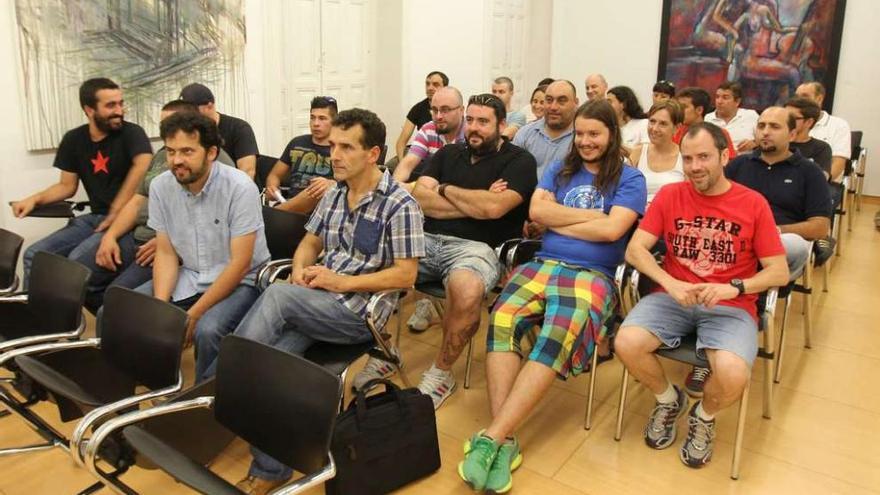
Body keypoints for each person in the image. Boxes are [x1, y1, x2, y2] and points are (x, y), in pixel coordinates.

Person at [225, 109, 424, 494]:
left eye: (346, 146)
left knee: (278, 297)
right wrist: (300, 268)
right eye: (333, 145)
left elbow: (407, 276)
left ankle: (229, 376)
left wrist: (340, 280)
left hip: (358, 314)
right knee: (277, 367)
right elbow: (310, 242)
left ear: (373, 153)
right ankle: (270, 468)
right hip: (315, 302)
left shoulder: (400, 205)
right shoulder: (334, 193)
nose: (334, 154)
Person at [458, 100, 646, 493]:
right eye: (581, 134)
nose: (586, 141)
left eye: (595, 133)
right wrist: (594, 218)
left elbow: (613, 233)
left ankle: (490, 438)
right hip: (542, 264)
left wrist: (563, 217)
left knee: (555, 335)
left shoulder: (630, 180)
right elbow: (537, 212)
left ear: (612, 134)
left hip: (593, 276)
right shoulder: (563, 171)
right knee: (503, 319)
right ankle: (503, 438)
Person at [615, 122, 789, 469]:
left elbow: (779, 272)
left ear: (725, 156)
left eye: (704, 157)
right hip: (672, 297)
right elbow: (636, 250)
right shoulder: (670, 196)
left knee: (733, 374)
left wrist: (733, 287)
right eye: (688, 158)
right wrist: (671, 282)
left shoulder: (753, 204)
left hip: (729, 304)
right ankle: (668, 400)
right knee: (626, 343)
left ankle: (704, 416)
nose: (695, 167)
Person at [356, 93, 538, 409]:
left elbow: (495, 210)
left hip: (478, 248)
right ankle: (385, 352)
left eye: (484, 122)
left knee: (466, 290)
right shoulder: (447, 153)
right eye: (471, 120)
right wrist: (477, 202)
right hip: (426, 238)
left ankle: (442, 373)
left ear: (502, 125)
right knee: (368, 265)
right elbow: (419, 198)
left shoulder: (519, 161)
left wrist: (445, 189)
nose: (475, 128)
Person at [682, 107, 832, 398]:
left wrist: (774, 232)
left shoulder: (809, 172)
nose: (764, 131)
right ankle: (710, 343)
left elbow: (820, 227)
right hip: (730, 245)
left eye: (774, 126)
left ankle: (746, 307)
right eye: (761, 125)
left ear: (793, 133)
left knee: (793, 245)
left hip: (782, 242)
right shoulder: (739, 166)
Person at [142, 111, 270, 381]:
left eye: (187, 151)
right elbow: (165, 252)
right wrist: (161, 308)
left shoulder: (239, 187)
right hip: (191, 273)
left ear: (211, 153)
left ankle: (205, 408)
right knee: (134, 311)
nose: (177, 161)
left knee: (208, 330)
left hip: (243, 280)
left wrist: (195, 313)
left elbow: (241, 263)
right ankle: (157, 386)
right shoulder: (160, 187)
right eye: (171, 151)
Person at [74, 101, 234, 312]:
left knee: (116, 297)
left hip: (163, 245)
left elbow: (208, 226)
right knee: (80, 273)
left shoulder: (215, 168)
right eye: (164, 126)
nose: (167, 131)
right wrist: (110, 236)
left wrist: (166, 242)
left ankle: (130, 326)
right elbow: (137, 200)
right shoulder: (161, 157)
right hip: (139, 234)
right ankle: (121, 330)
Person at [11, 78, 152, 288]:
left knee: (75, 263)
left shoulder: (132, 133)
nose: (119, 110)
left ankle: (68, 318)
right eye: (110, 105)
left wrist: (116, 210)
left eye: (121, 103)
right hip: (94, 219)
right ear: (89, 109)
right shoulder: (74, 139)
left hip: (128, 221)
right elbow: (66, 186)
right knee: (35, 255)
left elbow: (142, 167)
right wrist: (34, 199)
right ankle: (36, 319)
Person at [265, 96, 338, 214]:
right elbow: (274, 175)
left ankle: (272, 214)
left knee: (315, 190)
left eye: (322, 118)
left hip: (322, 210)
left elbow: (352, 183)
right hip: (290, 206)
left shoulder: (340, 149)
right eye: (312, 118)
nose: (316, 123)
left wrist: (332, 183)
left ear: (334, 122)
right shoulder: (297, 143)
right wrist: (273, 188)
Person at [179, 83, 260, 179]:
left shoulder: (239, 128)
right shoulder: (187, 131)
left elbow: (247, 172)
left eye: (192, 111)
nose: (188, 116)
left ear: (209, 106)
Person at [392, 87, 466, 183]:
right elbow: (407, 164)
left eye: (445, 110)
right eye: (435, 110)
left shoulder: (471, 134)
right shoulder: (428, 129)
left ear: (461, 110)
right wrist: (395, 188)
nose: (439, 116)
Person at [513, 80, 578, 179]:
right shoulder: (525, 133)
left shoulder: (582, 138)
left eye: (561, 101)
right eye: (549, 100)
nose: (553, 107)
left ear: (575, 103)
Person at [795, 81, 851, 181]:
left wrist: (818, 185)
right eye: (796, 96)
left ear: (819, 99)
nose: (799, 100)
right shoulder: (789, 122)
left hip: (824, 183)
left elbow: (838, 163)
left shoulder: (839, 125)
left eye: (804, 96)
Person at [630, 100, 685, 202]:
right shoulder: (638, 152)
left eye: (663, 124)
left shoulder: (685, 156)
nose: (654, 128)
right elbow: (624, 189)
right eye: (652, 121)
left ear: (677, 128)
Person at [394, 71, 449, 161]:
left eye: (435, 84)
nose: (430, 88)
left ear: (445, 88)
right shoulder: (418, 109)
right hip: (423, 156)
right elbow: (401, 142)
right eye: (427, 84)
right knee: (390, 166)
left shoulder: (452, 108)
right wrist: (401, 163)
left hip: (445, 156)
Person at [673, 87, 736, 159]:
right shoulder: (673, 131)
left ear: (699, 110)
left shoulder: (719, 134)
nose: (679, 110)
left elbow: (730, 164)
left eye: (684, 107)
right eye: (678, 106)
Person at [705, 81, 759, 152]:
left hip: (745, 161)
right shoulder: (708, 119)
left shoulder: (751, 116)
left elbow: (763, 139)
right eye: (717, 97)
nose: (719, 101)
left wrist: (754, 144)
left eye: (725, 98)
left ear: (737, 102)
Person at [785, 97, 833, 178]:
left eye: (792, 118)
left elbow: (821, 178)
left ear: (809, 122)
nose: (786, 121)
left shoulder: (821, 148)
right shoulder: (775, 143)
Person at [607, 86, 649, 150]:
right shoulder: (609, 128)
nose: (606, 106)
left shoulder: (644, 124)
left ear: (623, 104)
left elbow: (645, 153)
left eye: (610, 102)